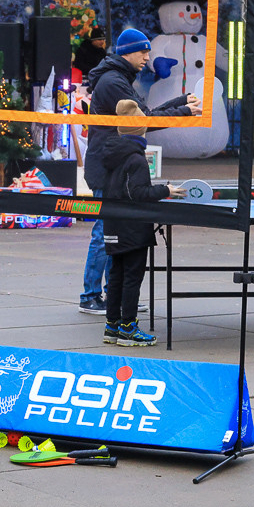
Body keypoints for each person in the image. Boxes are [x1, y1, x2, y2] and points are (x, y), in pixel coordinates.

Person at [79, 27, 200, 315]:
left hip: (114, 163)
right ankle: (91, 296)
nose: (148, 56)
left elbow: (144, 113)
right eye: (143, 51)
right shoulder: (113, 82)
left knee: (113, 229)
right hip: (108, 165)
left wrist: (181, 102)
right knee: (103, 232)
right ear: (127, 52)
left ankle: (112, 294)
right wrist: (183, 112)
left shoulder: (119, 78)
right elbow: (143, 121)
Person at [102, 100, 185, 346]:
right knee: (132, 278)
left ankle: (112, 325)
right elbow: (138, 193)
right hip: (132, 227)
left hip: (113, 224)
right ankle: (128, 327)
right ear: (140, 130)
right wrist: (166, 189)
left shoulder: (111, 154)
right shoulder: (136, 159)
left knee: (116, 275)